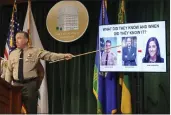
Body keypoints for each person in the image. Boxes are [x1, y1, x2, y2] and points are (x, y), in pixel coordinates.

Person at [5, 31, 74, 114]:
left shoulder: (35, 51)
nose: (16, 40)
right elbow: (9, 71)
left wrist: (63, 56)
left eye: (19, 38)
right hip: (15, 86)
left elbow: (50, 55)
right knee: (14, 110)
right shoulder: (13, 54)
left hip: (29, 85)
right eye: (16, 38)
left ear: (26, 40)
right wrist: (6, 86)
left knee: (31, 110)